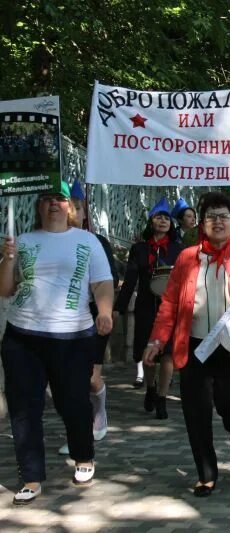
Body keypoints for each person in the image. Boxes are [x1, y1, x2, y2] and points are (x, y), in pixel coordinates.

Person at [142, 191, 230, 497]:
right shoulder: (186, 257)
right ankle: (206, 473)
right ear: (201, 224)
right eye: (211, 217)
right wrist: (157, 339)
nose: (217, 222)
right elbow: (169, 304)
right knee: (196, 412)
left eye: (224, 217)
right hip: (193, 348)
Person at [0, 181, 114, 505]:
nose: (54, 204)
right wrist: (7, 259)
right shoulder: (22, 241)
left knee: (73, 403)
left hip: (73, 337)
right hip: (22, 336)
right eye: (47, 199)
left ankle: (83, 456)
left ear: (71, 208)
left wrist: (104, 312)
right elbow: (5, 289)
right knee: (24, 409)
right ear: (39, 207)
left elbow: (102, 282)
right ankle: (31, 477)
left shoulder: (87, 241)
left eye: (60, 199)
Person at [58, 181, 118, 456]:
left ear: (85, 213)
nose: (73, 212)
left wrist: (104, 310)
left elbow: (109, 280)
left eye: (79, 207)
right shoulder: (49, 240)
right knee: (69, 382)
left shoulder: (97, 242)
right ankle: (78, 436)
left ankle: (100, 408)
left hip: (92, 317)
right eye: (69, 206)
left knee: (90, 378)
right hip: (60, 320)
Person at [114, 197, 182, 420]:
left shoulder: (178, 250)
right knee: (148, 355)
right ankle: (150, 387)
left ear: (172, 224)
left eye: (166, 218)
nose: (162, 221)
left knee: (168, 356)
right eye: (158, 217)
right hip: (145, 308)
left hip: (171, 310)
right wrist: (119, 308)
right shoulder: (139, 249)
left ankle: (162, 397)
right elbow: (131, 279)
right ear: (151, 221)